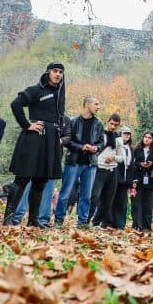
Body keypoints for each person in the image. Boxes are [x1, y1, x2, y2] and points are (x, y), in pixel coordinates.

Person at [3, 63, 66, 227]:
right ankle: (8, 218)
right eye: (55, 71)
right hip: (33, 138)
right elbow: (15, 104)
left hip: (50, 140)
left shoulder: (59, 94)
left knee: (41, 180)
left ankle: (33, 220)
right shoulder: (36, 90)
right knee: (23, 178)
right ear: (48, 72)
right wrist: (26, 124)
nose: (58, 74)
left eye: (61, 72)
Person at [10, 113, 71, 227]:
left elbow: (68, 136)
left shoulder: (65, 120)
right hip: (36, 156)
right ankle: (16, 217)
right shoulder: (41, 114)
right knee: (27, 187)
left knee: (47, 192)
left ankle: (42, 220)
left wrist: (58, 141)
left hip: (52, 158)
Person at [54, 97, 104, 228]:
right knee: (65, 193)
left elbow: (101, 142)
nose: (98, 107)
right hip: (73, 162)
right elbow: (67, 141)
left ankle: (82, 222)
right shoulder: (73, 121)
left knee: (86, 195)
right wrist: (81, 147)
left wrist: (96, 148)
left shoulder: (99, 124)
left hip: (90, 163)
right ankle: (58, 220)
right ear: (87, 105)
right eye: (96, 104)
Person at [89, 113, 124, 227]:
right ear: (108, 121)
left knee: (108, 200)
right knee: (95, 196)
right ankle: (85, 219)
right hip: (100, 168)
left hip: (112, 170)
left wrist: (114, 157)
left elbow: (122, 157)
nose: (113, 126)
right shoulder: (100, 134)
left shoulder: (118, 139)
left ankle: (96, 222)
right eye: (111, 123)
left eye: (115, 125)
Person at [131, 131, 153, 232]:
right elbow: (132, 163)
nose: (146, 139)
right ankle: (137, 225)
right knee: (136, 204)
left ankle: (146, 227)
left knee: (148, 205)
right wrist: (140, 164)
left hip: (151, 181)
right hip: (138, 179)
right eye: (145, 137)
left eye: (149, 138)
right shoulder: (137, 150)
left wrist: (152, 164)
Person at [112, 126, 134, 229]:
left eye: (128, 134)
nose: (126, 135)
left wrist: (131, 180)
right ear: (120, 134)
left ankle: (120, 224)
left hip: (125, 181)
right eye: (124, 133)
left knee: (122, 203)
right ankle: (110, 222)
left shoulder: (130, 149)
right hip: (115, 178)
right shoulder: (115, 146)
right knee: (112, 200)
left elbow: (131, 165)